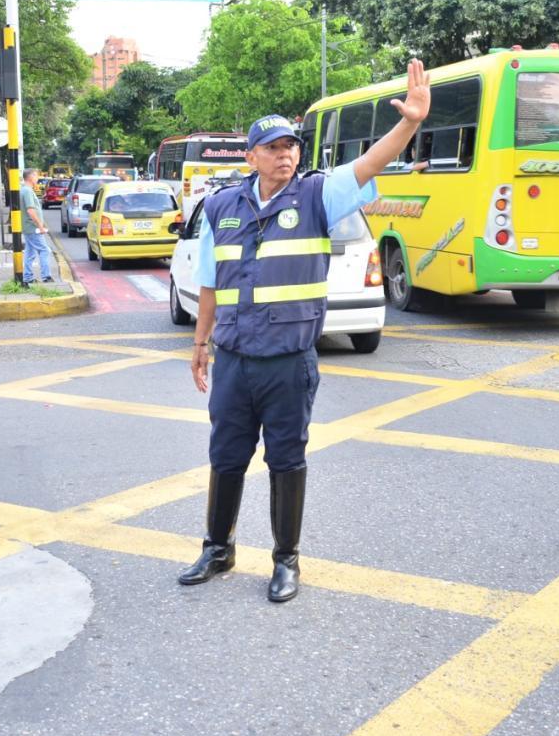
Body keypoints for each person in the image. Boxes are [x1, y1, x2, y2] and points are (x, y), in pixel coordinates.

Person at [178, 60, 431, 603]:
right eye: (273, 147)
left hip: (289, 361)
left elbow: (365, 167)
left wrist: (408, 124)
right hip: (234, 359)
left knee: (286, 459)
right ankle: (217, 548)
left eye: (291, 145)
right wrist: (200, 345)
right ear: (251, 157)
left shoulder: (318, 195)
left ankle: (285, 560)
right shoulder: (221, 206)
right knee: (225, 456)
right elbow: (208, 284)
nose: (286, 154)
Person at [20, 167, 53, 284]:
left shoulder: (25, 190)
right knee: (44, 250)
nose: (38, 178)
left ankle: (28, 277)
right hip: (33, 228)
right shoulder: (27, 191)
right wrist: (40, 226)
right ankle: (46, 276)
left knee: (30, 253)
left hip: (29, 227)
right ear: (31, 177)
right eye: (36, 176)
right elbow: (30, 211)